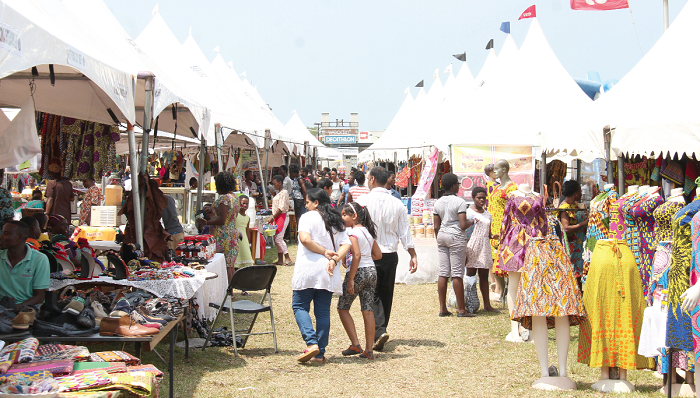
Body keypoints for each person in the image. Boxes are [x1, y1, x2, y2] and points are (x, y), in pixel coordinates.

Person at [356, 166, 417, 351]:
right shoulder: (397, 203)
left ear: (373, 179)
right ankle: (380, 331)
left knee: (371, 295)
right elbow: (404, 231)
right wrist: (412, 254)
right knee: (386, 293)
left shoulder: (361, 201)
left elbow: (353, 228)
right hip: (390, 254)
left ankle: (378, 331)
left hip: (369, 254)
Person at [292, 188, 351, 363]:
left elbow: (305, 240)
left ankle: (311, 343)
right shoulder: (335, 220)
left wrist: (325, 252)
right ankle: (319, 353)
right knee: (323, 312)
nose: (306, 205)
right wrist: (334, 260)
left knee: (300, 306)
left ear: (316, 202)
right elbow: (346, 244)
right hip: (327, 271)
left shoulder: (307, 217)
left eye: (307, 202)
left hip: (307, 270)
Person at [337, 202, 382, 359]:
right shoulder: (368, 233)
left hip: (359, 273)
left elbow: (356, 255)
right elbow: (378, 255)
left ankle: (355, 344)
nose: (342, 217)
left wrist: (350, 279)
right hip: (371, 272)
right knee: (367, 310)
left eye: (344, 215)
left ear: (354, 216)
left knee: (343, 307)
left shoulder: (352, 233)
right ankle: (369, 350)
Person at [433, 173, 475, 317]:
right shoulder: (460, 202)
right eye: (457, 183)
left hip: (442, 236)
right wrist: (471, 222)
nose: (459, 186)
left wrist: (438, 239)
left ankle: (443, 309)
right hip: (456, 237)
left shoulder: (438, 202)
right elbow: (463, 225)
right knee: (457, 273)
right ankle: (462, 310)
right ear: (453, 186)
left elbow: (436, 226)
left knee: (443, 272)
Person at [196, 172, 239, 282]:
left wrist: (206, 222)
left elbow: (222, 219)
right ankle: (231, 291)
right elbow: (230, 215)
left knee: (225, 264)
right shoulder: (234, 197)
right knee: (230, 264)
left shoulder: (224, 198)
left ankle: (228, 291)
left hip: (223, 236)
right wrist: (213, 210)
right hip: (232, 233)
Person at [0, 221, 50, 309]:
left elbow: (40, 297)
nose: (1, 237)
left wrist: (17, 307)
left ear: (20, 237)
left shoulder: (39, 259)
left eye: (6, 233)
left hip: (28, 308)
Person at [465, 186, 499, 313]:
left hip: (484, 245)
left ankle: (487, 304)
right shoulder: (468, 213)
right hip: (472, 245)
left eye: (484, 198)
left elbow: (488, 232)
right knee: (470, 275)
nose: (482, 200)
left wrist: (492, 236)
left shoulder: (488, 215)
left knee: (484, 276)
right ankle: (469, 303)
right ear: (473, 198)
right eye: (479, 198)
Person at [557, 180, 589, 280]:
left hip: (580, 245)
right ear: (575, 193)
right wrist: (583, 223)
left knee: (579, 273)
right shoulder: (564, 208)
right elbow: (566, 228)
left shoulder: (578, 206)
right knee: (571, 273)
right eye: (580, 191)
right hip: (571, 246)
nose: (581, 193)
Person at [267, 175, 292, 266]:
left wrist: (272, 217)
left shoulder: (284, 193)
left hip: (282, 216)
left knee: (278, 238)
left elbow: (281, 208)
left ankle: (287, 257)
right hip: (278, 216)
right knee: (277, 237)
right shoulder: (279, 193)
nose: (274, 186)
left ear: (280, 183)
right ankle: (280, 259)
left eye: (275, 184)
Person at [234, 195, 254, 268]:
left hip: (244, 240)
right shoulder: (235, 215)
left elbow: (247, 231)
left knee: (246, 256)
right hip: (236, 239)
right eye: (243, 203)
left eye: (247, 203)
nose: (245, 205)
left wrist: (248, 242)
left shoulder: (247, 218)